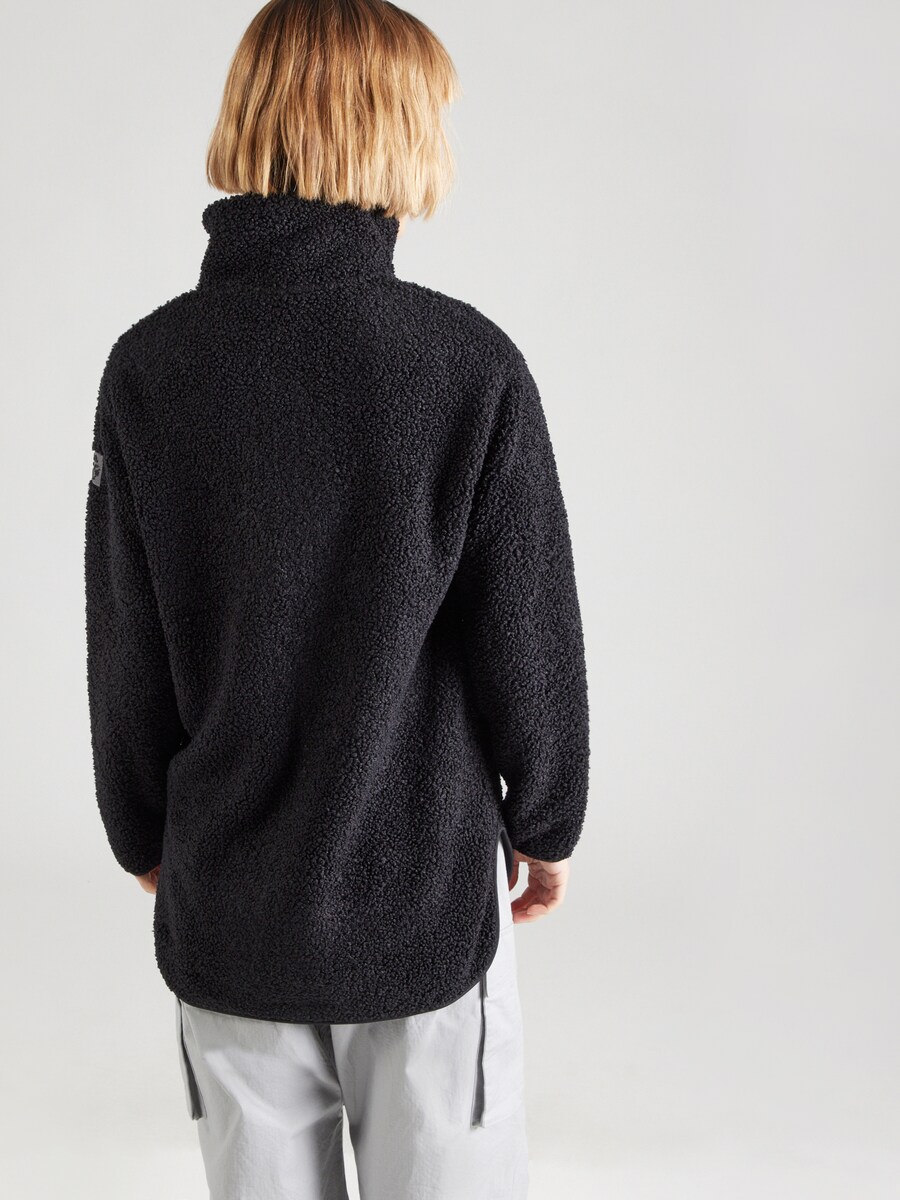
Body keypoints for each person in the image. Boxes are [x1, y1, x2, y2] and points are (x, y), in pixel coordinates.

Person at [83, 1, 590, 1196]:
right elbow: (528, 637)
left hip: (231, 907)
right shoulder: (465, 367)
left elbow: (125, 641)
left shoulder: (149, 369)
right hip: (424, 906)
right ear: (393, 130)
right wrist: (547, 820)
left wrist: (143, 833)